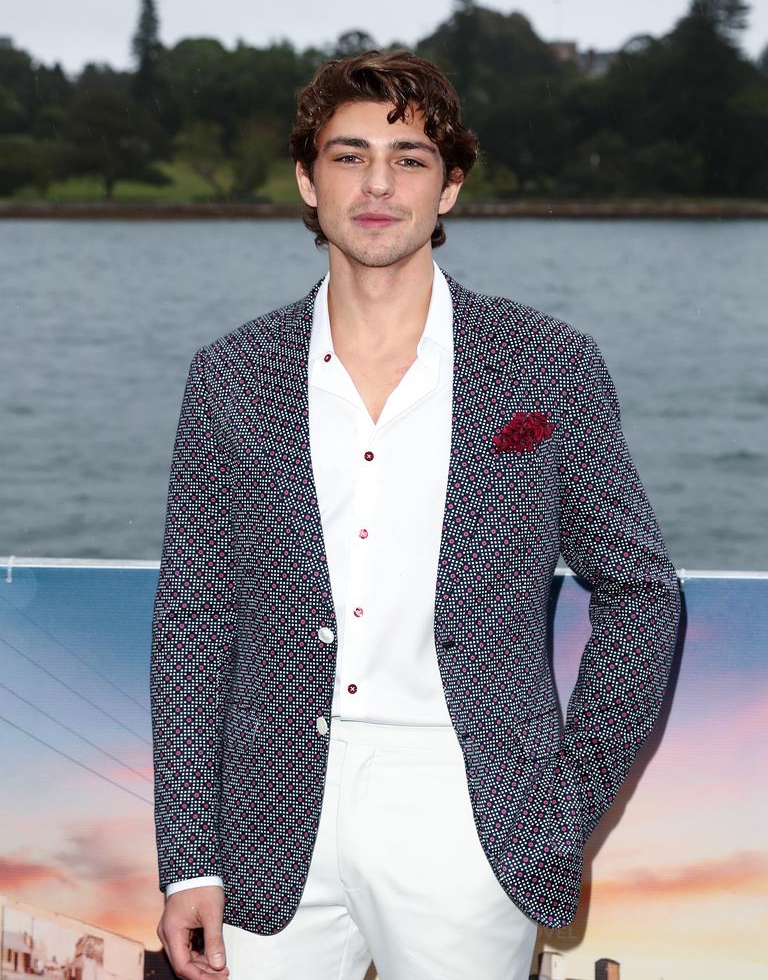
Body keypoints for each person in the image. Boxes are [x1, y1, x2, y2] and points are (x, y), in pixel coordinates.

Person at [150, 49, 681, 980]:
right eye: (350, 156)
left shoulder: (545, 364)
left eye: (411, 157)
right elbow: (195, 616)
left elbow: (641, 592)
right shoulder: (231, 375)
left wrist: (564, 806)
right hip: (268, 817)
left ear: (451, 188)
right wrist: (189, 853)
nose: (379, 183)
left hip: (470, 813)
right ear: (308, 182)